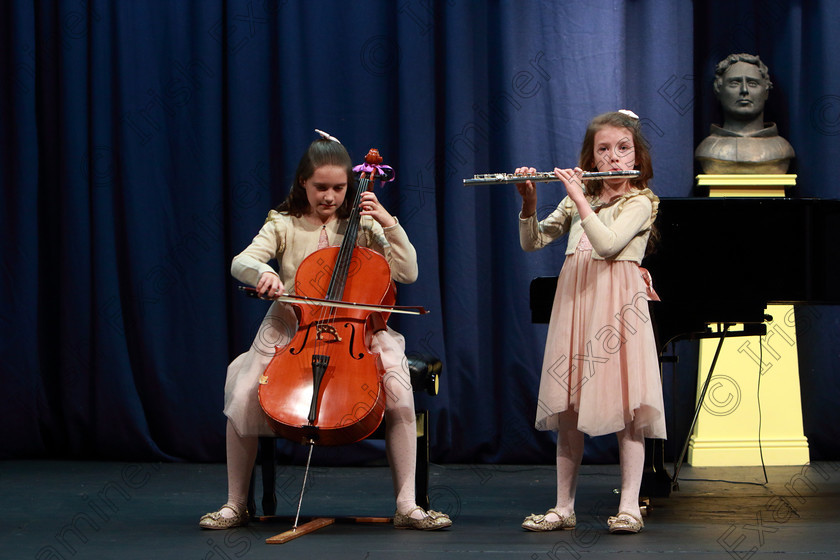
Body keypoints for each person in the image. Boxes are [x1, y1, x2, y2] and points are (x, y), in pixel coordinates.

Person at [199, 132, 451, 531]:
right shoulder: (281, 222)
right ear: (303, 182)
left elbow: (408, 271)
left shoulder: (363, 225)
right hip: (291, 325)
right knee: (244, 387)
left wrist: (387, 220)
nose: (330, 196)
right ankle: (234, 504)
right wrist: (264, 273)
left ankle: (407, 504)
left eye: (339, 188)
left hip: (358, 331)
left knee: (399, 391)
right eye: (321, 187)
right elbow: (241, 261)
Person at [516, 111, 666, 534]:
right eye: (604, 150)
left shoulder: (641, 202)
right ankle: (564, 507)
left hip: (617, 307)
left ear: (636, 154)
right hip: (577, 304)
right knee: (567, 409)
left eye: (623, 149)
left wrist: (580, 198)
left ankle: (631, 507)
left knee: (629, 408)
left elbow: (607, 245)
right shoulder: (579, 195)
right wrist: (529, 203)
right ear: (592, 157)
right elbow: (533, 241)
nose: (614, 158)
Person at [695, 53, 794, 173]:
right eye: (734, 83)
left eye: (752, 83)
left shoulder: (782, 149)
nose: (744, 90)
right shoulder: (707, 150)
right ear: (718, 91)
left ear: (766, 92)